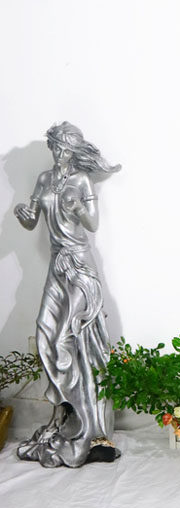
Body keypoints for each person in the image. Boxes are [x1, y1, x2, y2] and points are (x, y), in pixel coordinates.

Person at [14, 122, 121, 467]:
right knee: (45, 333)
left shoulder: (82, 180)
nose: (59, 153)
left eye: (65, 148)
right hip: (56, 266)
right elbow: (32, 220)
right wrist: (23, 214)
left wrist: (77, 207)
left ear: (74, 150)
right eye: (56, 147)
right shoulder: (45, 179)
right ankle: (63, 414)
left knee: (66, 338)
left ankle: (88, 425)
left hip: (79, 266)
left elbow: (92, 224)